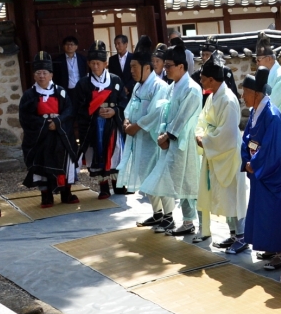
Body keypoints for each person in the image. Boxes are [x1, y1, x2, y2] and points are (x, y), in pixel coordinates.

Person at [141, 41, 203, 236]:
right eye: (165, 66)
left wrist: (169, 135)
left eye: (168, 66)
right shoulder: (171, 87)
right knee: (171, 182)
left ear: (181, 67)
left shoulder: (192, 89)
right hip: (170, 142)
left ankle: (188, 222)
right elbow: (165, 113)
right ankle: (174, 218)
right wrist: (162, 132)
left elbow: (184, 118)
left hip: (184, 143)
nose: (165, 69)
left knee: (187, 184)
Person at [232, 67, 281, 262]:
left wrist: (254, 164)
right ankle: (271, 248)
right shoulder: (256, 112)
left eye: (245, 92)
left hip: (270, 174)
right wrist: (247, 160)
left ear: (256, 93)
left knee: (274, 213)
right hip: (257, 171)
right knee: (263, 214)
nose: (243, 96)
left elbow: (273, 149)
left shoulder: (272, 116)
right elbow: (246, 139)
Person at [195, 52, 249, 247]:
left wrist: (206, 139)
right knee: (224, 197)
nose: (201, 82)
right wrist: (200, 135)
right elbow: (202, 120)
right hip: (216, 151)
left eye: (202, 79)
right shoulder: (213, 97)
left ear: (211, 79)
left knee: (233, 196)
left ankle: (241, 236)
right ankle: (233, 234)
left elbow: (228, 134)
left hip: (228, 153)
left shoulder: (227, 99)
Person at [19, 51, 79, 207]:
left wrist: (57, 123)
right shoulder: (29, 95)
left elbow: (69, 111)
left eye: (45, 72)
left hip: (60, 136)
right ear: (34, 75)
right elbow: (26, 117)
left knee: (64, 163)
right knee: (41, 165)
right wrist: (45, 124)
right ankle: (46, 196)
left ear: (51, 74)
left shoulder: (61, 92)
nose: (41, 76)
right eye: (38, 72)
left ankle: (67, 192)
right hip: (41, 138)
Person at [73, 42, 126, 200]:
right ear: (88, 64)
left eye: (99, 63)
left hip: (112, 125)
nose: (95, 66)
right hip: (93, 126)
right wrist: (95, 111)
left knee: (115, 152)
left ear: (105, 64)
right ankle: (103, 187)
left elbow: (124, 101)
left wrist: (114, 111)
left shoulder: (115, 80)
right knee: (97, 152)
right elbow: (78, 106)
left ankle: (118, 184)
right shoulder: (83, 83)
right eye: (92, 63)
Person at [121, 38, 170, 205]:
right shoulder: (137, 86)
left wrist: (136, 126)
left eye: (135, 67)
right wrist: (127, 120)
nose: (132, 71)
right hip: (139, 139)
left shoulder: (160, 86)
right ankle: (157, 213)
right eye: (131, 67)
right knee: (145, 177)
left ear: (147, 67)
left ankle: (168, 215)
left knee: (158, 177)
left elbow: (156, 113)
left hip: (153, 139)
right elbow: (129, 107)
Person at [256, 33, 281, 117]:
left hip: (277, 119)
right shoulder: (264, 74)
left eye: (258, 60)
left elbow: (273, 101)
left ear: (269, 59)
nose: (257, 63)